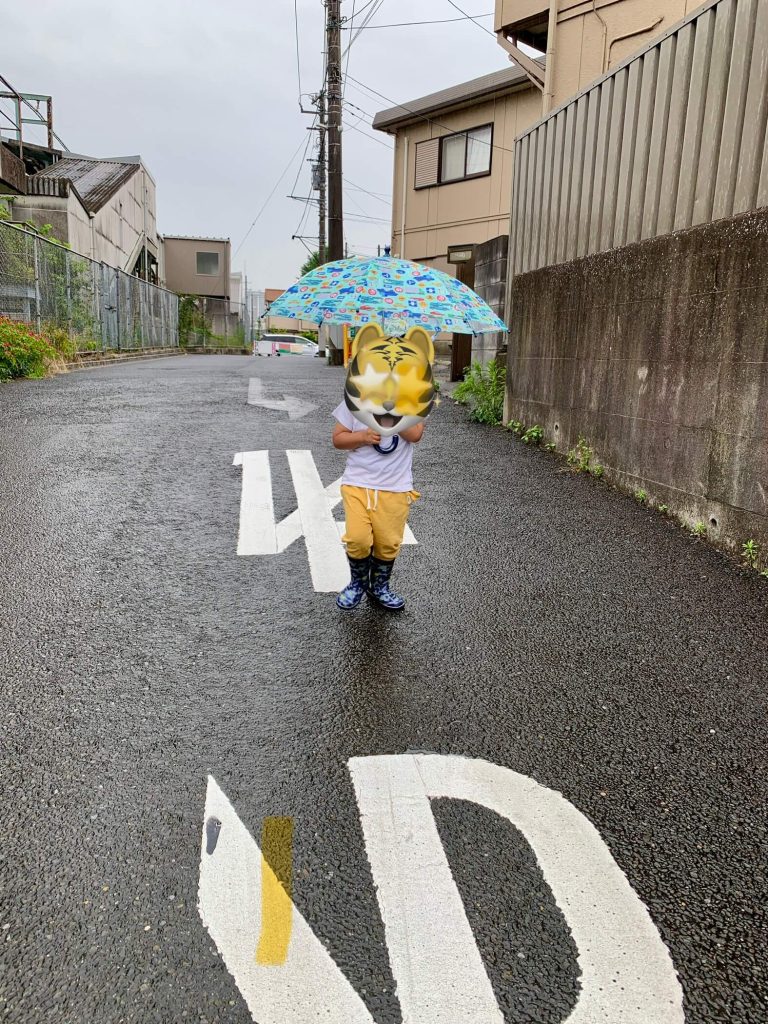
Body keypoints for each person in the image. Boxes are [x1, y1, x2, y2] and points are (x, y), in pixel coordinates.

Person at [332, 406, 424, 611]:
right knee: (357, 539)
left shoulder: (410, 402)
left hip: (395, 487)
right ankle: (358, 583)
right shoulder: (355, 402)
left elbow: (415, 434)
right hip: (357, 483)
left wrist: (393, 418)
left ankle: (379, 586)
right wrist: (362, 436)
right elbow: (338, 439)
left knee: (388, 543)